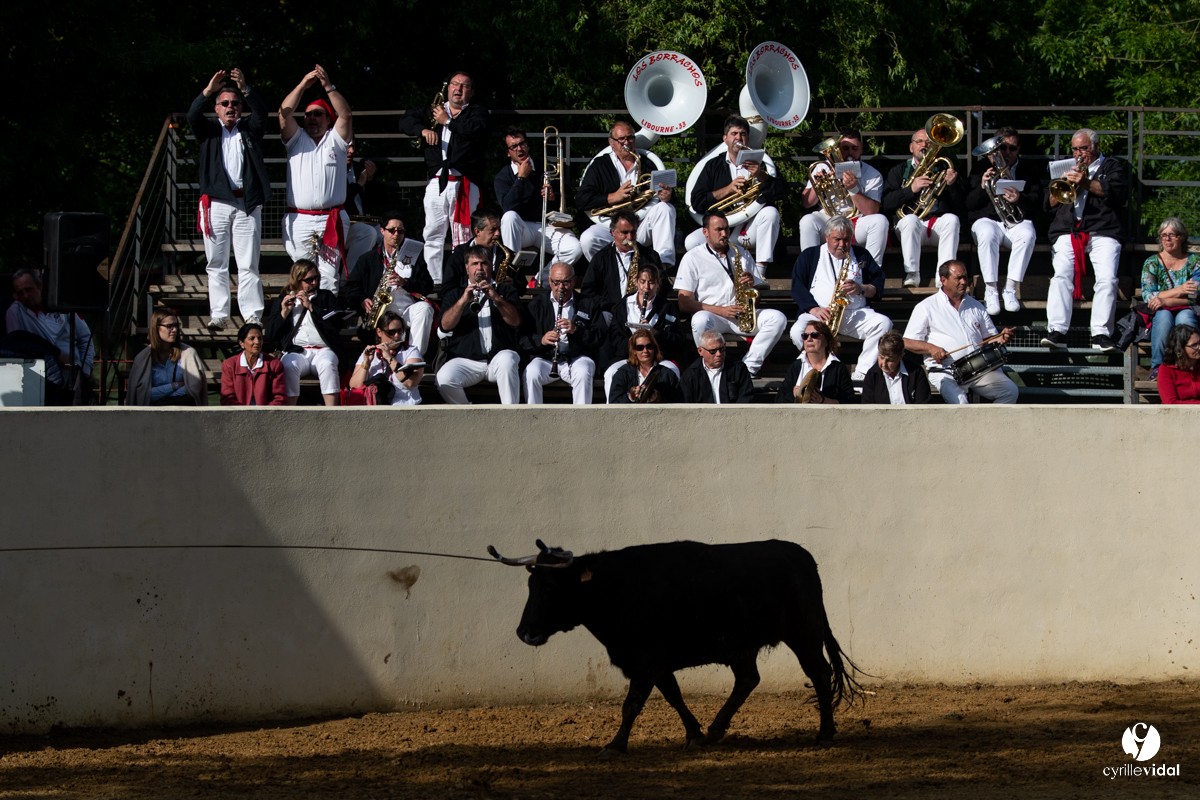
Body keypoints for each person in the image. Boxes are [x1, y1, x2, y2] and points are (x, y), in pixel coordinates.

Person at [187, 68, 269, 332]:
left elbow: (262, 114)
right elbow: (192, 115)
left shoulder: (249, 130)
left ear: (241, 107)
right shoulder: (209, 132)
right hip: (217, 203)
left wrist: (245, 89)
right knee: (216, 262)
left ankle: (252, 314)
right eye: (224, 103)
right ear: (217, 108)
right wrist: (208, 91)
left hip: (247, 203)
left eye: (235, 103)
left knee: (248, 263)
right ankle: (219, 314)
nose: (230, 107)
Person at [1040, 128, 1129, 352]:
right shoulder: (1065, 166)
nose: (1079, 154)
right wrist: (1063, 182)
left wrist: (1086, 182)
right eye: (1075, 149)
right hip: (1068, 230)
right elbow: (1048, 204)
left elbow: (1118, 195)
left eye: (1084, 148)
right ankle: (1056, 330)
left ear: (1096, 147)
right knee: (1061, 275)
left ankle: (1101, 333)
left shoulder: (1112, 166)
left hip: (1103, 231)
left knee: (1107, 279)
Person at [399, 72, 489, 285]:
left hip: (464, 182)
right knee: (432, 233)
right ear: (448, 88)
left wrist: (447, 122)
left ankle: (464, 282)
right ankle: (435, 282)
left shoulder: (477, 113)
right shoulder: (434, 109)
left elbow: (475, 131)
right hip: (437, 181)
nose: (459, 89)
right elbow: (405, 121)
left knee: (464, 236)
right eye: (455, 84)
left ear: (471, 91)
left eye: (464, 86)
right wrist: (422, 130)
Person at [675, 211, 786, 377]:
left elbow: (757, 297)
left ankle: (747, 368)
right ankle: (707, 368)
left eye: (726, 229)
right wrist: (721, 310)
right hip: (714, 316)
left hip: (742, 315)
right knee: (699, 320)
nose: (724, 234)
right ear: (705, 232)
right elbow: (684, 303)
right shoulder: (692, 257)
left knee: (777, 318)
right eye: (718, 230)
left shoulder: (742, 253)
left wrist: (752, 287)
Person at [279, 65, 353, 293]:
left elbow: (346, 115)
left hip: (332, 218)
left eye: (318, 114)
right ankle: (303, 314)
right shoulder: (296, 138)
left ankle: (326, 313)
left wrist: (328, 86)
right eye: (308, 114)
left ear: (328, 118)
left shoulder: (336, 139)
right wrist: (303, 85)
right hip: (300, 219)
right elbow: (284, 113)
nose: (311, 118)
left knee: (329, 276)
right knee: (303, 275)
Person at [789, 215, 892, 380]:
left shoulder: (862, 255)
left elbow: (877, 284)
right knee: (797, 331)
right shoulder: (810, 255)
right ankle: (818, 366)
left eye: (846, 240)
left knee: (884, 323)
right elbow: (797, 287)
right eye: (837, 239)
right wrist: (814, 309)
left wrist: (861, 288)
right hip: (820, 314)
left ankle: (862, 373)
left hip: (855, 313)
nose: (842, 245)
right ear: (827, 237)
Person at [903, 260, 1018, 404]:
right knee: (961, 403)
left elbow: (989, 338)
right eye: (958, 278)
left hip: (979, 369)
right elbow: (907, 341)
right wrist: (931, 349)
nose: (964, 282)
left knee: (1010, 391)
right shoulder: (926, 307)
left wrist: (1001, 338)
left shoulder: (976, 306)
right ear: (943, 280)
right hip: (945, 371)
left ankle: (989, 420)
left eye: (965, 277)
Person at [685, 115, 786, 266]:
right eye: (734, 134)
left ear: (748, 138)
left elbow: (783, 192)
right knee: (691, 242)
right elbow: (697, 201)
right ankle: (718, 271)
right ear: (725, 139)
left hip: (751, 227)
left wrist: (761, 175)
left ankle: (760, 272)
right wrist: (728, 189)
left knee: (770, 212)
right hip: (723, 227)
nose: (738, 138)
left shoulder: (762, 163)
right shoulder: (713, 165)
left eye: (743, 134)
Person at [576, 121, 676, 268]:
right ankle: (608, 272)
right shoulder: (600, 164)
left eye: (630, 138)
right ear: (612, 142)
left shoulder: (649, 163)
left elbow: (670, 197)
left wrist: (667, 196)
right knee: (588, 238)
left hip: (640, 226)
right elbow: (581, 200)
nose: (627, 142)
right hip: (610, 226)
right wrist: (613, 197)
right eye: (621, 139)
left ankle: (662, 266)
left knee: (665, 208)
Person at [965, 126, 1040, 315]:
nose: (1007, 152)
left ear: (1018, 149)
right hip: (988, 220)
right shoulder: (980, 168)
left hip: (1016, 221)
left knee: (1027, 234)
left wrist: (1019, 198)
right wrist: (982, 187)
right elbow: (969, 204)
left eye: (1012, 148)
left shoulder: (1029, 170)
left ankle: (1010, 288)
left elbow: (1037, 202)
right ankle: (991, 289)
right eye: (1002, 148)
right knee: (986, 233)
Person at [435, 246, 524, 404]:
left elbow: (516, 321)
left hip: (498, 358)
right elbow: (445, 326)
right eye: (475, 264)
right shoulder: (455, 293)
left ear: (491, 266)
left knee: (508, 360)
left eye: (484, 263)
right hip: (467, 360)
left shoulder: (505, 290)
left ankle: (511, 413)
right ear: (467, 268)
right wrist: (463, 301)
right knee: (444, 378)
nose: (480, 268)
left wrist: (496, 298)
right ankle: (467, 414)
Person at [342, 212, 435, 356]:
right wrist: (362, 300)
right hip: (382, 312)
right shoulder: (368, 259)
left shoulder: (413, 255)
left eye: (400, 231)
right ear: (382, 231)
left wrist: (405, 283)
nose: (396, 234)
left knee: (424, 309)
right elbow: (351, 288)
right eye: (392, 230)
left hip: (407, 309)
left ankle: (414, 357)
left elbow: (427, 285)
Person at [882, 126, 965, 287]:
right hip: (909, 228)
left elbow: (961, 205)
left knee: (952, 219)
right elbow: (886, 203)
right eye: (919, 141)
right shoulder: (899, 171)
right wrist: (910, 189)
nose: (924, 145)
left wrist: (952, 185)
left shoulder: (944, 168)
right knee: (910, 219)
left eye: (928, 142)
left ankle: (944, 277)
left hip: (935, 224)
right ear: (911, 147)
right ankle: (912, 274)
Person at [495, 126, 581, 280]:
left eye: (522, 144)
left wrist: (553, 197)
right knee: (509, 217)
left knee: (575, 248)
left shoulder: (546, 166)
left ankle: (541, 279)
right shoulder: (503, 176)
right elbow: (507, 206)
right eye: (514, 147)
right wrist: (521, 178)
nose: (520, 149)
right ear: (508, 153)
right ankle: (513, 276)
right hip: (522, 228)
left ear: (527, 145)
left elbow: (568, 197)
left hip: (547, 225)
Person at [797, 128, 889, 269]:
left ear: (861, 150)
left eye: (854, 148)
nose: (850, 153)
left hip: (857, 221)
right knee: (807, 221)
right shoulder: (822, 167)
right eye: (845, 148)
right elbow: (807, 203)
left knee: (880, 221)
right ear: (838, 149)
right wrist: (817, 185)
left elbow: (872, 210)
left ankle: (871, 271)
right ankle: (809, 270)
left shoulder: (872, 174)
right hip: (828, 218)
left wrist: (853, 189)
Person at [521, 263, 606, 404]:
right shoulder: (537, 305)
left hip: (577, 357)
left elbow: (600, 336)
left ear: (574, 281)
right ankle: (533, 416)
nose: (561, 287)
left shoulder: (588, 304)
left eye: (566, 282)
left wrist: (576, 330)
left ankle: (582, 417)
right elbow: (524, 337)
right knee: (531, 373)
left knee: (583, 372)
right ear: (549, 281)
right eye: (556, 282)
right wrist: (541, 340)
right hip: (546, 358)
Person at [6, 268, 95, 404]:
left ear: (39, 286)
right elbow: (17, 344)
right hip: (42, 376)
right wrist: (55, 355)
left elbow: (85, 338)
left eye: (28, 289)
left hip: (74, 373)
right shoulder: (15, 312)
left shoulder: (63, 304)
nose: (25, 295)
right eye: (20, 292)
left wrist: (85, 369)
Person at [603, 262, 687, 398]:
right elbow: (614, 336)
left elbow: (677, 338)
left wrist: (656, 334)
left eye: (651, 282)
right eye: (642, 282)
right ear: (636, 282)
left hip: (658, 358)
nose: (646, 287)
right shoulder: (623, 305)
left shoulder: (667, 307)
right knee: (611, 372)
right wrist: (634, 345)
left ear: (658, 284)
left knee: (672, 371)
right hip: (628, 356)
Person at [265, 259, 342, 406]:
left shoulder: (326, 296)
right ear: (297, 280)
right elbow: (270, 334)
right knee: (289, 365)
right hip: (297, 350)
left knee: (328, 364)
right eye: (309, 280)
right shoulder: (284, 299)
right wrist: (283, 313)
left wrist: (311, 307)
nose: (314, 282)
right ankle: (291, 411)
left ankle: (332, 411)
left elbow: (335, 325)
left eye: (316, 278)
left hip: (323, 349)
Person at [1140, 218, 1199, 380]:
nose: (1167, 239)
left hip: (1187, 308)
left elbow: (1194, 296)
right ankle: (1159, 368)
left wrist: (1166, 300)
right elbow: (1148, 295)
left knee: (1185, 318)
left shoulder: (1195, 262)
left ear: (1182, 237)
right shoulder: (1151, 263)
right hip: (1160, 310)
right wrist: (1180, 290)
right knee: (1163, 317)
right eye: (1163, 235)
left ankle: (1188, 366)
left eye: (1172, 235)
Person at [581, 210, 663, 315]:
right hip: (610, 313)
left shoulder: (651, 256)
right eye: (625, 232)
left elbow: (663, 285)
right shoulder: (600, 258)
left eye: (633, 232)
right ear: (613, 232)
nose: (630, 238)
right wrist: (609, 306)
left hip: (643, 311)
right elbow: (588, 292)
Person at [126, 307, 207, 406]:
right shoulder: (142, 358)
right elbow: (143, 394)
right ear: (156, 328)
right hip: (152, 411)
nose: (174, 330)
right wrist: (174, 386)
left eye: (176, 325)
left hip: (182, 408)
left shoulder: (188, 353)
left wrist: (165, 397)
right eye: (169, 326)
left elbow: (193, 388)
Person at [348, 311, 424, 406]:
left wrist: (389, 357)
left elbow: (410, 382)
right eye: (391, 332)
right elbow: (354, 386)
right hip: (375, 408)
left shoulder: (411, 351)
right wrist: (366, 363)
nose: (397, 336)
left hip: (404, 407)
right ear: (379, 332)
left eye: (400, 331)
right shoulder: (370, 353)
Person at [776, 320, 856, 404]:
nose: (809, 339)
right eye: (805, 336)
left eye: (814, 335)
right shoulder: (796, 366)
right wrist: (794, 395)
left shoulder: (839, 368)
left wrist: (823, 400)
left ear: (826, 340)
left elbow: (850, 401)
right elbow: (779, 399)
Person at [441, 211, 519, 294]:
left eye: (498, 229)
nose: (498, 233)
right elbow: (447, 288)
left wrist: (513, 284)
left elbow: (521, 284)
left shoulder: (506, 254)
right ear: (477, 231)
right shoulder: (459, 254)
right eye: (493, 230)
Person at [219, 321, 286, 406]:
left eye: (259, 338)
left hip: (266, 412)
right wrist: (243, 412)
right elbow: (227, 398)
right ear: (241, 343)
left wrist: (265, 412)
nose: (257, 342)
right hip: (238, 412)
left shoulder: (274, 365)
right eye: (252, 338)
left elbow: (279, 398)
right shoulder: (230, 365)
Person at [680, 329, 754, 403]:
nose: (719, 354)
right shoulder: (690, 376)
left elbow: (746, 397)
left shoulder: (738, 369)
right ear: (700, 351)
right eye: (713, 351)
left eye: (722, 349)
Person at [609, 328, 681, 403]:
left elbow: (678, 403)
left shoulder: (668, 374)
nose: (645, 351)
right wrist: (630, 397)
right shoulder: (623, 373)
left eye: (649, 346)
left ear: (655, 348)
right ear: (634, 351)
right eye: (640, 348)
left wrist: (658, 398)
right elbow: (614, 403)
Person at [859, 330, 932, 405]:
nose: (884, 364)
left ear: (901, 356)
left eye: (890, 360)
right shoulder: (872, 375)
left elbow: (923, 403)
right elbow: (867, 407)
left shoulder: (916, 373)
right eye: (881, 357)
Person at [343, 139, 382, 271]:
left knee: (388, 233)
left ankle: (383, 274)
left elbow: (376, 199)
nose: (351, 151)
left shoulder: (359, 168)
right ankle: (351, 275)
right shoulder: (332, 170)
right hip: (344, 222)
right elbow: (343, 197)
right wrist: (359, 185)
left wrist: (370, 179)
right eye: (347, 147)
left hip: (364, 219)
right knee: (368, 233)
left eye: (353, 146)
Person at [1157, 324, 1200, 404]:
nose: (1199, 347)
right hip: (1177, 412)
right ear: (1180, 348)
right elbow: (1170, 402)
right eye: (1194, 345)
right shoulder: (1166, 370)